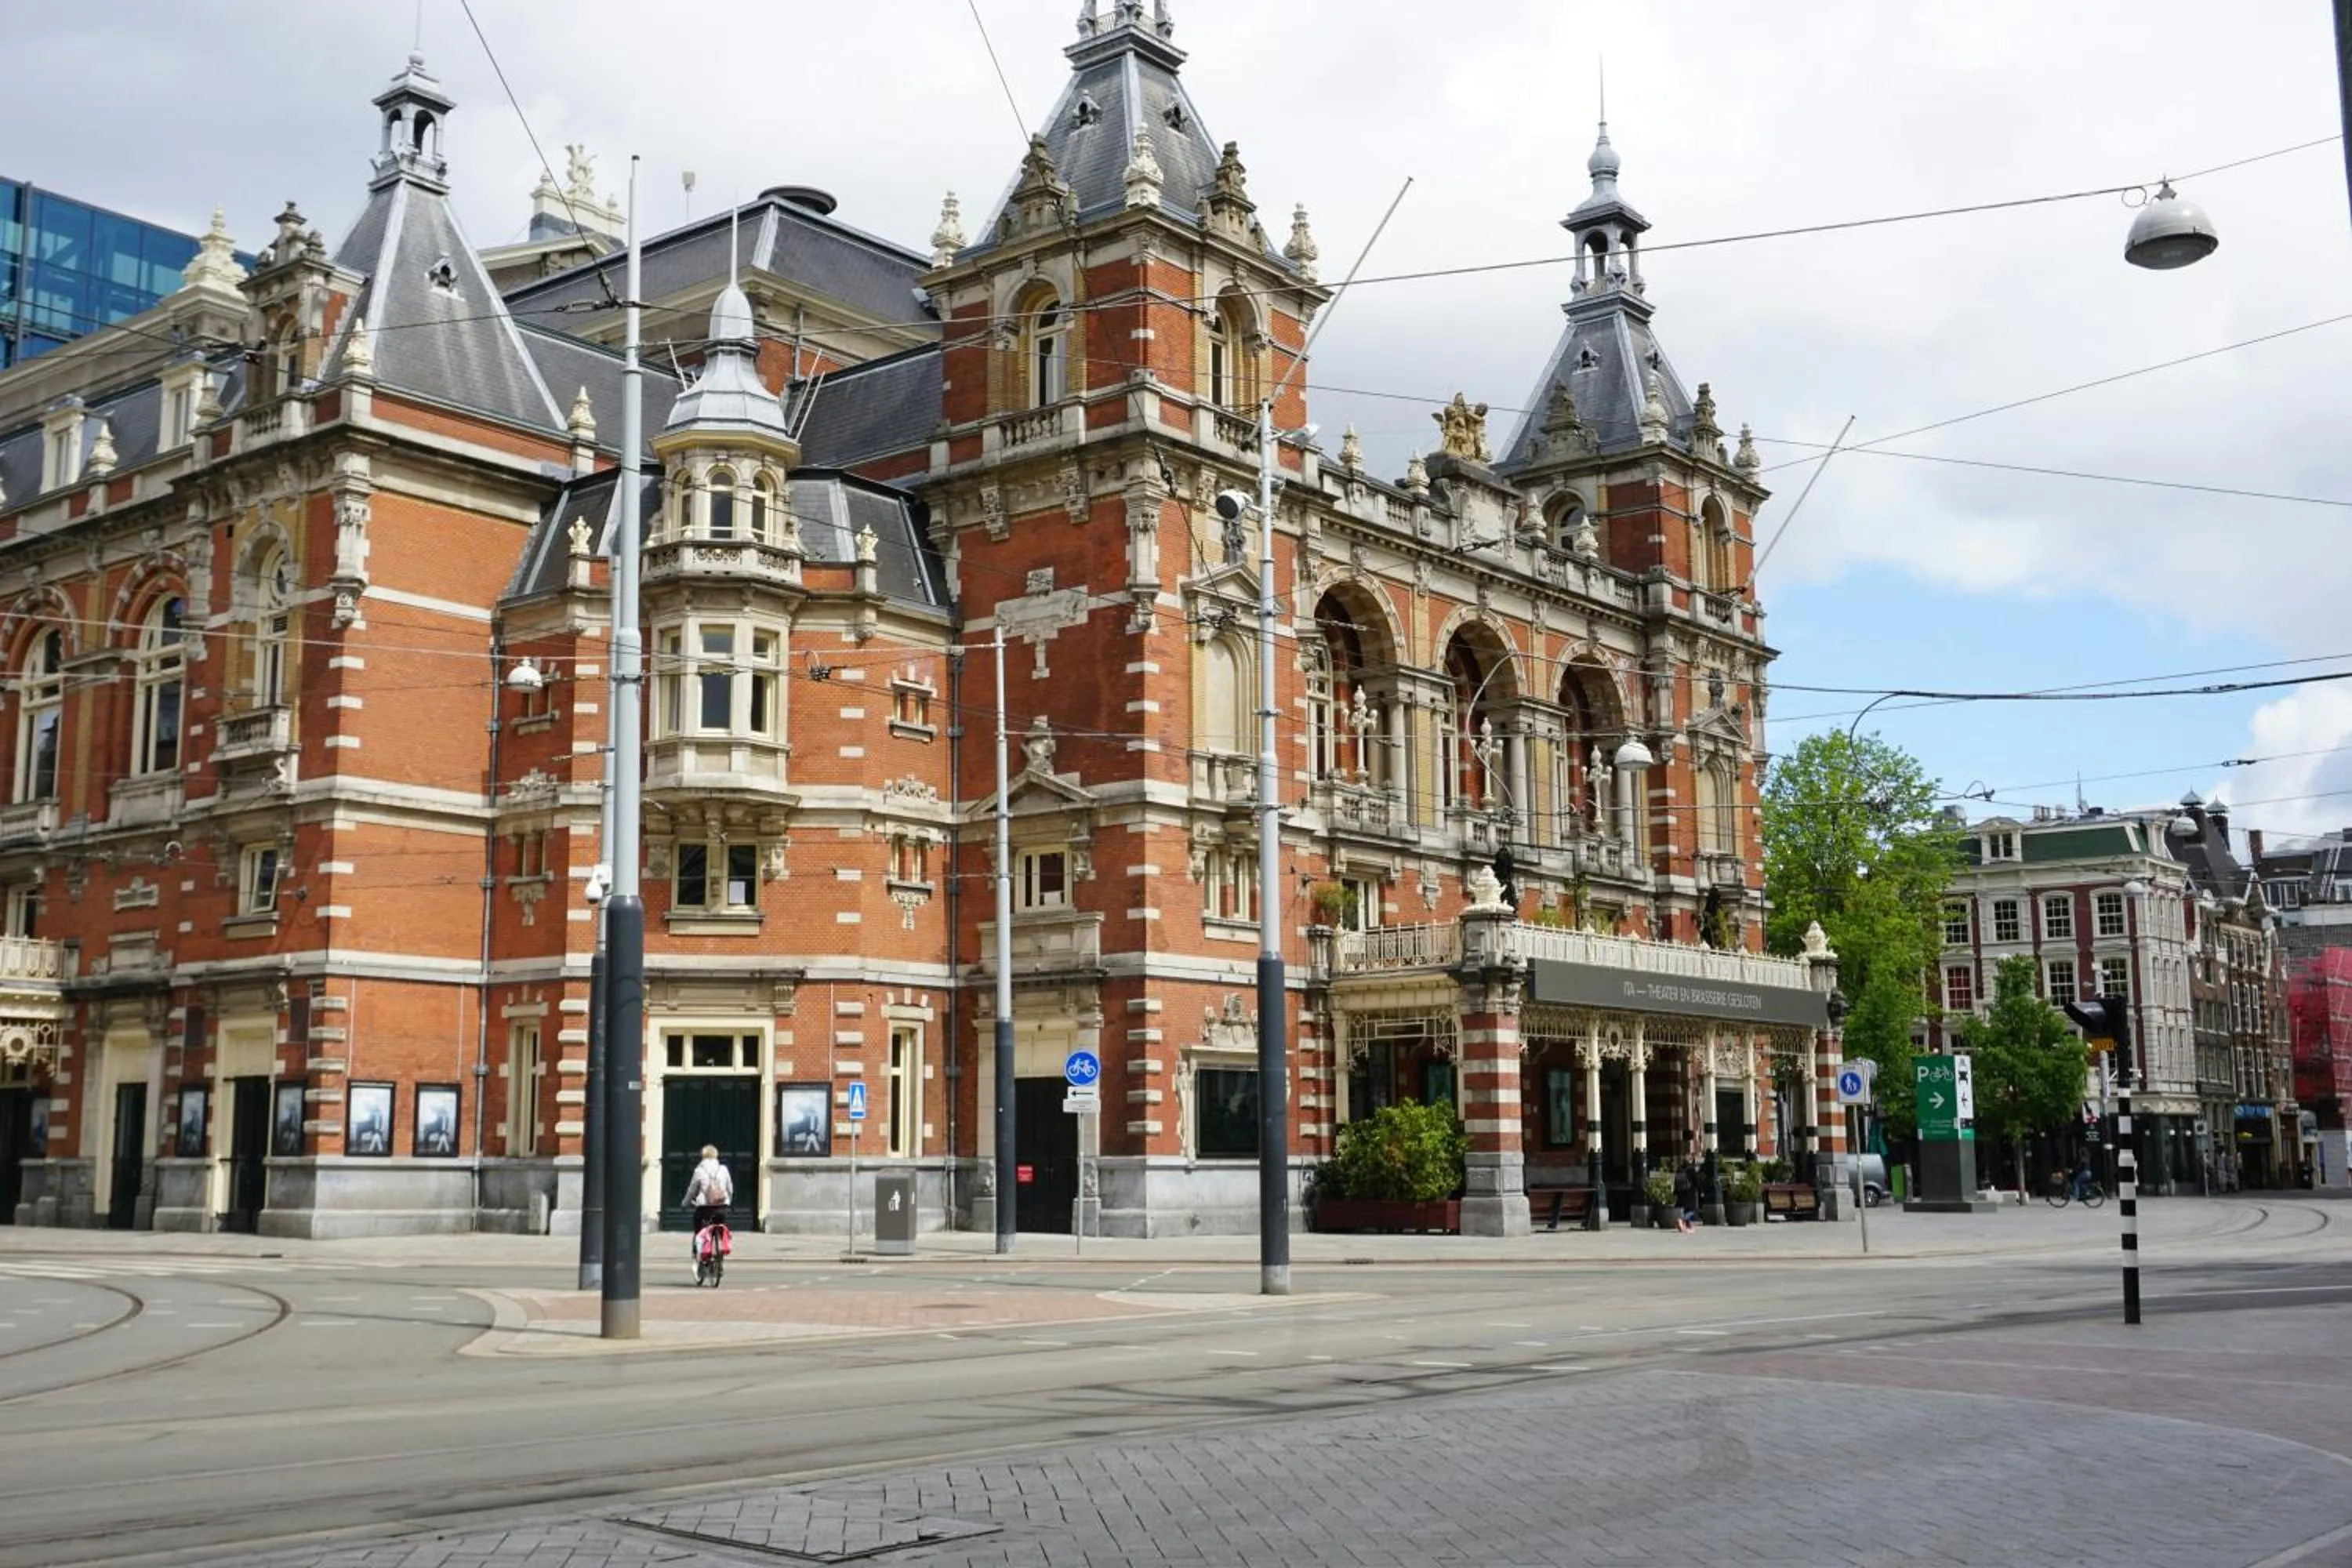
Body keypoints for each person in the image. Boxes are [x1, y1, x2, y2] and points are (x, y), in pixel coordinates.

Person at [683, 1145, 733, 1272]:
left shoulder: (699, 1171)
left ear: (703, 1156)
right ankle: (721, 1249)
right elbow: (730, 1189)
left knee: (699, 1231)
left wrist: (685, 1203)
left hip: (705, 1208)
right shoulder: (724, 1169)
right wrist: (728, 1201)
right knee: (721, 1224)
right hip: (722, 1207)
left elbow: (692, 1190)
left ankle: (702, 1257)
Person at [1671, 1160, 1697, 1234]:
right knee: (1692, 1210)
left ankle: (1687, 1226)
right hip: (1689, 1192)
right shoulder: (1691, 1170)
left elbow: (1675, 1181)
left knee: (1685, 1209)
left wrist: (1675, 1192)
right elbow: (1696, 1181)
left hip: (1680, 1192)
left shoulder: (1679, 1169)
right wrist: (1701, 1191)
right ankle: (1681, 1220)